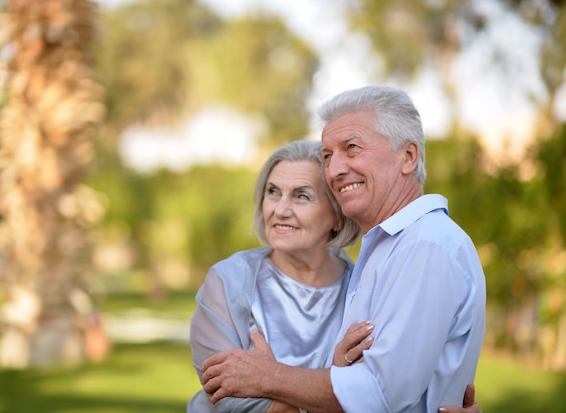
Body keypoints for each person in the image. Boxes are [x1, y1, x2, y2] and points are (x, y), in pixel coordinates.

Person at [201, 86, 487, 413]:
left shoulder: (427, 246)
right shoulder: (387, 246)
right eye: (327, 156)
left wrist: (269, 377)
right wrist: (335, 372)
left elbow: (377, 394)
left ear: (408, 157)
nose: (334, 170)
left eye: (351, 148)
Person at [188, 139, 369, 413]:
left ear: (338, 217)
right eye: (273, 192)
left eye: (302, 196)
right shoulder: (228, 281)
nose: (280, 210)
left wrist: (268, 381)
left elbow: (380, 391)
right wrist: (331, 388)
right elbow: (225, 398)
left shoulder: (365, 290)